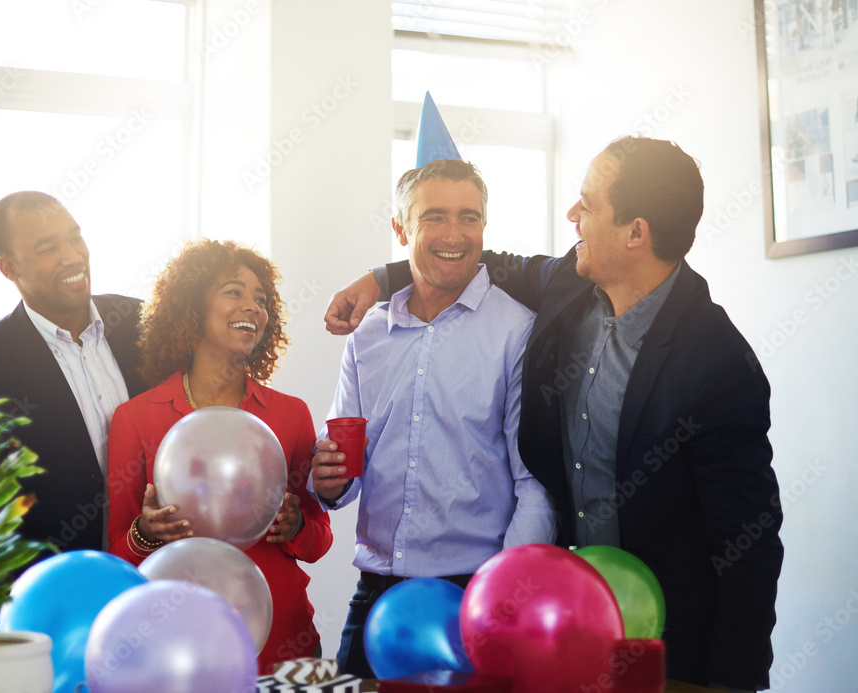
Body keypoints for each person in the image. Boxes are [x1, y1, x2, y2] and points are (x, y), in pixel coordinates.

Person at [323, 137, 783, 692]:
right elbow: (470, 259)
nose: (572, 216)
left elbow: (748, 536)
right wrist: (380, 277)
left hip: (665, 636)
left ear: (636, 232)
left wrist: (734, 681)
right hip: (568, 617)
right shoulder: (569, 287)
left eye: (586, 205)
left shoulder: (716, 359)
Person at [309, 159, 558, 678]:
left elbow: (533, 481)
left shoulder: (517, 331)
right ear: (400, 228)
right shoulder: (367, 335)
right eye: (434, 218)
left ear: (485, 228)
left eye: (469, 217)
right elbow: (340, 478)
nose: (454, 234)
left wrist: (505, 596)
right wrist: (326, 481)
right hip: (376, 596)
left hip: (472, 595)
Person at [106, 239, 332, 673]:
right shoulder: (135, 417)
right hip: (177, 649)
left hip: (282, 641)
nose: (253, 307)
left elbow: (319, 539)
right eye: (234, 291)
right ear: (191, 307)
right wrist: (148, 533)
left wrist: (296, 524)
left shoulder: (290, 414)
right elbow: (118, 553)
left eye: (261, 299)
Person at [0, 191, 145, 555]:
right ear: (9, 268)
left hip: (157, 570)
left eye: (74, 237)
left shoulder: (144, 323)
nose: (72, 256)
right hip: (56, 584)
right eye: (48, 248)